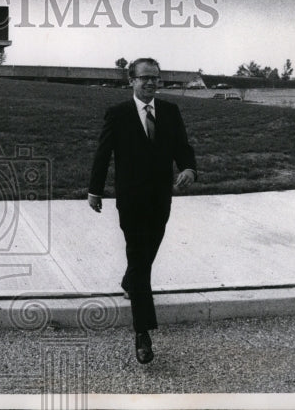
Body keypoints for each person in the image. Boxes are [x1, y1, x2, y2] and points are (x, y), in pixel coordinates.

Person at [87, 57, 197, 364]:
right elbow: (103, 153)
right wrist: (95, 190)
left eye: (156, 78)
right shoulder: (118, 114)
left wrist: (188, 168)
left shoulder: (171, 112)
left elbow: (182, 147)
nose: (151, 83)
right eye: (145, 78)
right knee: (139, 257)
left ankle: (128, 283)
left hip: (161, 198)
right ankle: (142, 334)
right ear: (131, 81)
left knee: (145, 254)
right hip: (132, 200)